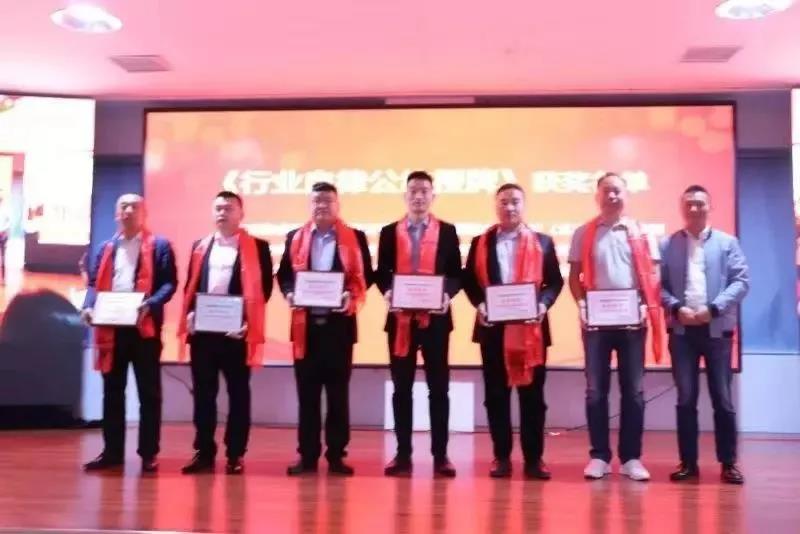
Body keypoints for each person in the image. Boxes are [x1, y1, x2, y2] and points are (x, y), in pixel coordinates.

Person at [463, 183, 563, 479]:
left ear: (524, 205)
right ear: (496, 206)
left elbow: (554, 282)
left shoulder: (543, 242)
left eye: (515, 201)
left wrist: (543, 304)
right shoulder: (481, 243)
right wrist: (480, 304)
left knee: (533, 398)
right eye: (504, 202)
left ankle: (534, 459)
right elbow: (469, 282)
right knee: (496, 396)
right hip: (493, 330)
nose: (509, 207)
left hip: (531, 330)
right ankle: (501, 456)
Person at [567, 172, 663, 482]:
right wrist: (582, 305)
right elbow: (574, 277)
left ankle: (631, 457)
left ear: (626, 195)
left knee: (633, 391)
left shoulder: (642, 232)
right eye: (606, 191)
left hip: (632, 324)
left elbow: (654, 276)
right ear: (597, 196)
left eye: (617, 191)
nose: (612, 196)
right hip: (596, 324)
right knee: (596, 391)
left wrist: (646, 304)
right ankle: (599, 457)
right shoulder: (583, 233)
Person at [277, 182, 372, 476]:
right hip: (305, 329)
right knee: (307, 396)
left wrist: (350, 296)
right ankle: (307, 456)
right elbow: (284, 276)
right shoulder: (295, 237)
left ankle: (336, 456)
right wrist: (289, 293)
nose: (322, 205)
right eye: (317, 200)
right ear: (310, 204)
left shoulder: (355, 237)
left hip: (338, 329)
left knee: (337, 396)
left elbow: (366, 275)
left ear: (337, 205)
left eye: (328, 200)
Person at [80, 193, 177, 473]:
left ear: (144, 213)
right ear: (116, 213)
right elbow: (94, 284)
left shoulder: (159, 245)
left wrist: (151, 304)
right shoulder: (105, 247)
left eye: (135, 206)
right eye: (124, 206)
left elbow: (169, 283)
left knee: (149, 394)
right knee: (112, 392)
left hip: (144, 330)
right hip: (111, 330)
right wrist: (88, 307)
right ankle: (112, 452)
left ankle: (148, 454)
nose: (129, 210)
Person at [179, 191, 273, 475]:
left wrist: (247, 321)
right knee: (203, 395)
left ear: (241, 214)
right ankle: (204, 452)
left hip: (237, 334)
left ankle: (235, 454)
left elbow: (264, 289)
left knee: (239, 395)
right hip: (204, 335)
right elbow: (191, 286)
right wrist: (190, 313)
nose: (223, 213)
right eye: (218, 208)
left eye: (229, 208)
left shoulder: (258, 247)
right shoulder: (200, 246)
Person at [660, 185, 749, 484]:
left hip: (717, 330)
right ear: (682, 208)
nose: (695, 209)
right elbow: (657, 286)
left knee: (722, 399)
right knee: (686, 399)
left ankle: (728, 463)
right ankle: (688, 463)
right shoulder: (667, 244)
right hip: (682, 332)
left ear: (710, 207)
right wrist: (676, 308)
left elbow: (741, 282)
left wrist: (714, 308)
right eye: (689, 204)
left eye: (700, 203)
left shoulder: (727, 243)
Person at [376, 170, 461, 478]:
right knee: (401, 389)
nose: (418, 196)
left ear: (432, 196)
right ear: (405, 195)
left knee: (438, 389)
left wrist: (446, 294)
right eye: (413, 190)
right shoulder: (389, 232)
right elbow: (381, 272)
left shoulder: (447, 232)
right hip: (401, 322)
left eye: (424, 190)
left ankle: (441, 455)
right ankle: (402, 454)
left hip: (436, 322)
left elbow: (456, 274)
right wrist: (388, 291)